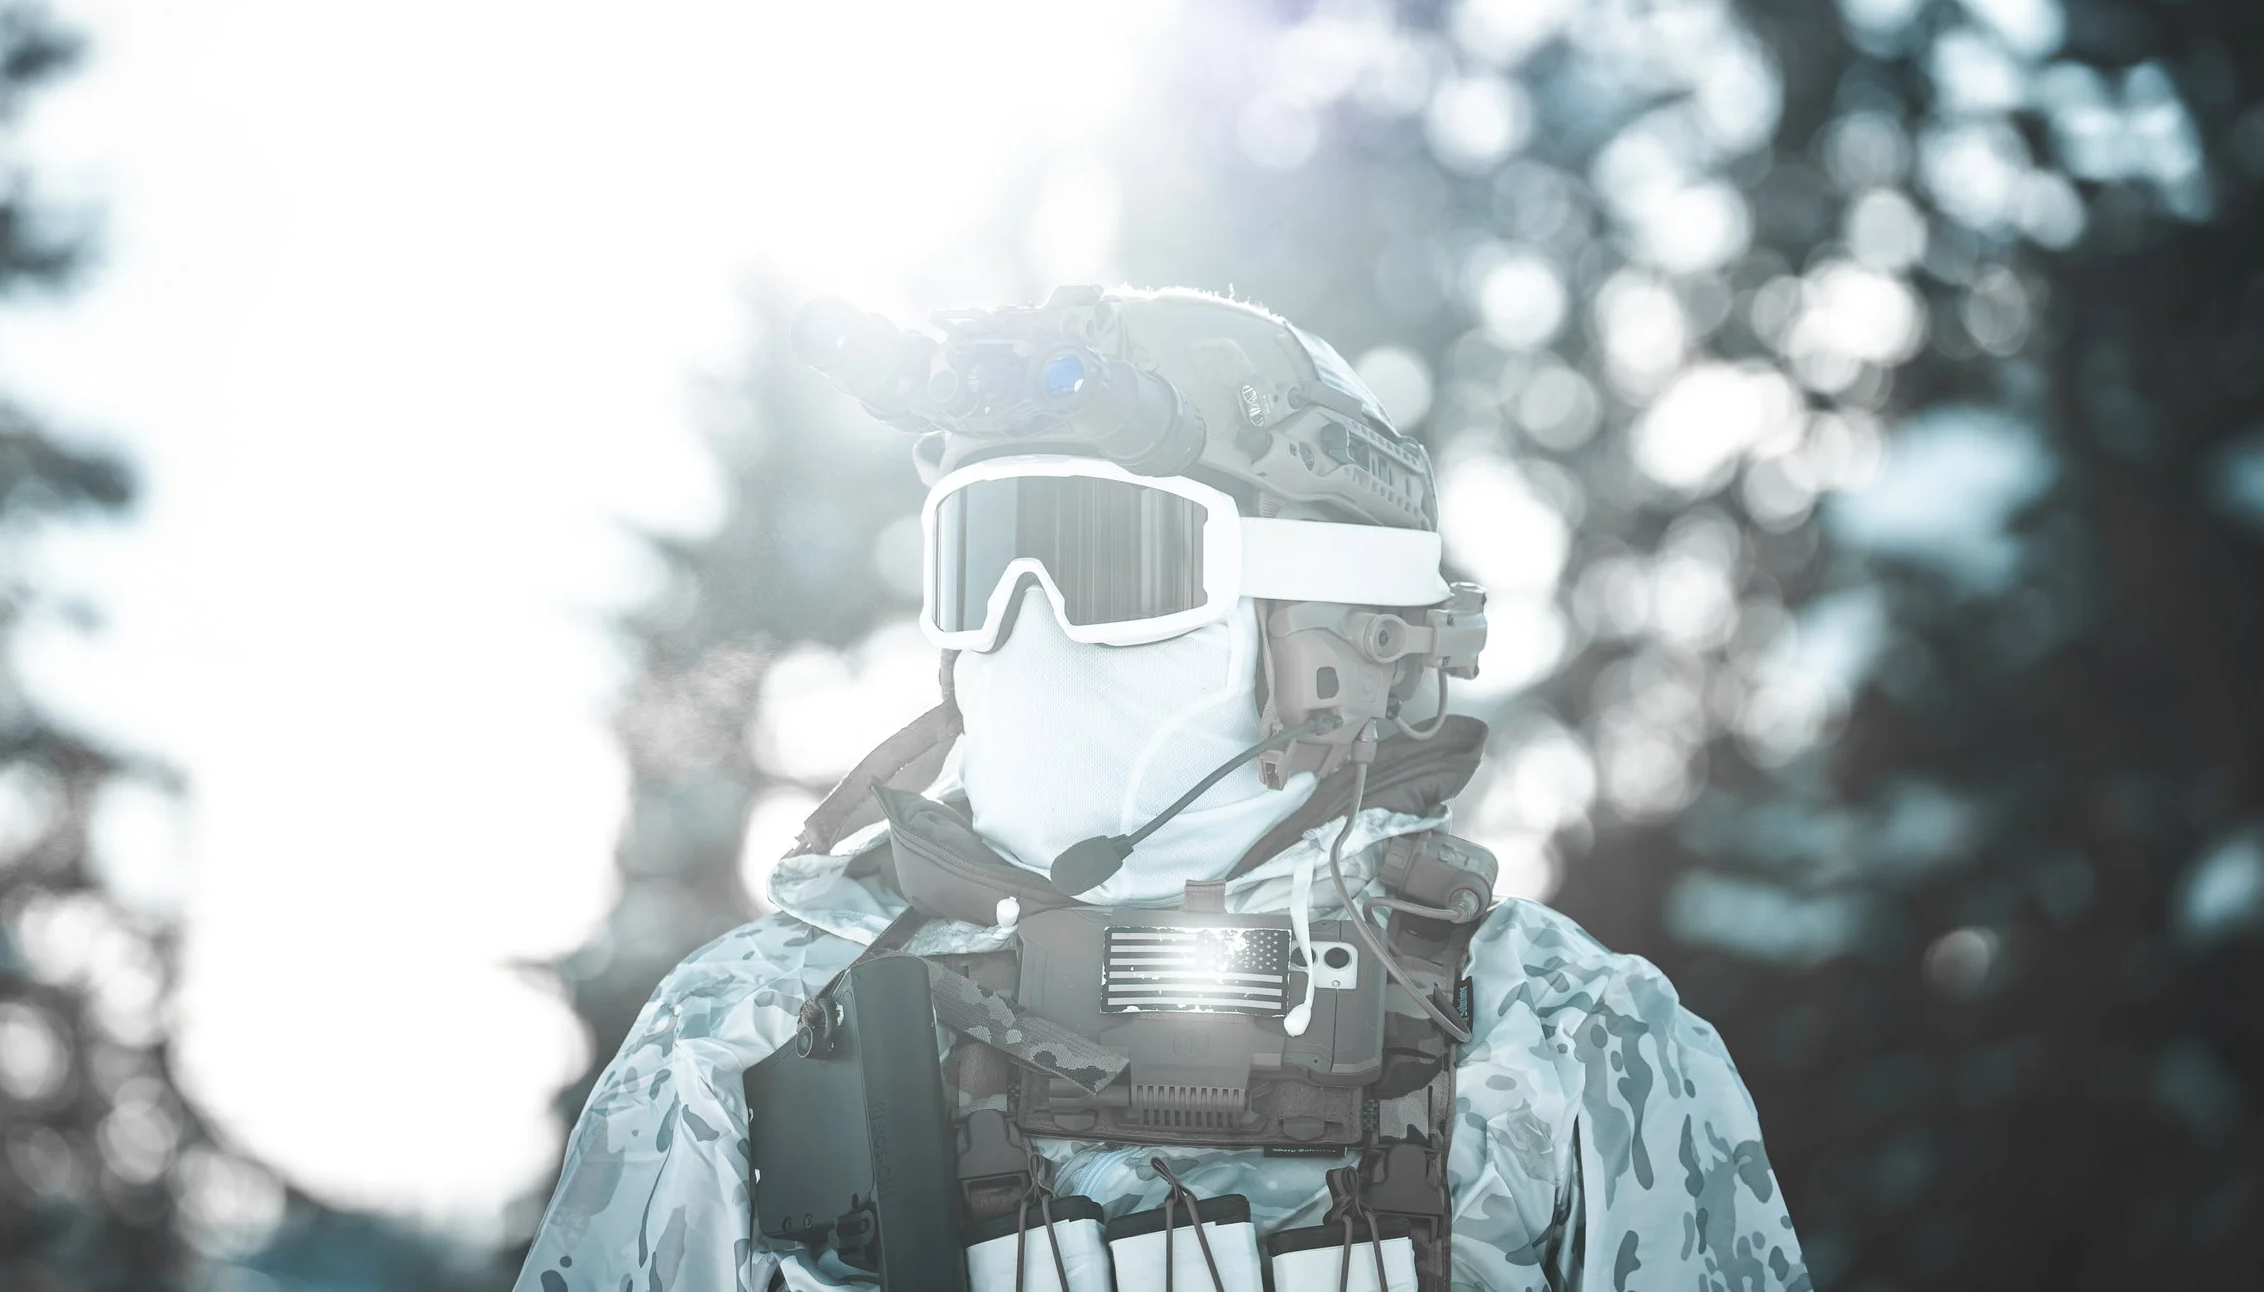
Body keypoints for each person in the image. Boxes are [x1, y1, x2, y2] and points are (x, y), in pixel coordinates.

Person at [514, 287, 1812, 1292]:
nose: (1031, 626)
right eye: (980, 559)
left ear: (1330, 639)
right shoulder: (754, 1032)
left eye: (1102, 554)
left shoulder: (1568, 1044)